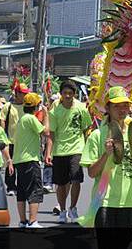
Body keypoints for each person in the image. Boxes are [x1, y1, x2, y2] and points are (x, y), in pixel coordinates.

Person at [80, 86, 132, 247]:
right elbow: (91, 172)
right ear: (107, 107)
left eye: (125, 105)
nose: (122, 109)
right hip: (105, 200)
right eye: (116, 105)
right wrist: (106, 155)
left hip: (130, 200)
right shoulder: (97, 135)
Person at [44, 81, 93, 223]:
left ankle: (73, 208)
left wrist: (87, 149)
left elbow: (86, 129)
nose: (67, 96)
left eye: (70, 93)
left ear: (74, 94)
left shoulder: (81, 108)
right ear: (61, 94)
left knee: (76, 179)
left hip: (77, 149)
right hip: (60, 151)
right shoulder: (55, 111)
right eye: (65, 93)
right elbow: (51, 135)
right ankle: (63, 210)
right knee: (61, 183)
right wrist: (48, 153)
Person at [13, 92, 49, 228]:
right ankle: (33, 221)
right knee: (35, 189)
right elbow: (45, 131)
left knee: (22, 191)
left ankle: (23, 221)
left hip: (20, 160)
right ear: (36, 106)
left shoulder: (23, 118)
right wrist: (46, 115)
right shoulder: (31, 118)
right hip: (30, 159)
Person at [0, 83, 29, 195]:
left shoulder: (27, 106)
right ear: (16, 93)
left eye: (26, 94)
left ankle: (21, 186)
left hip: (24, 141)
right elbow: (2, 120)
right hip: (10, 140)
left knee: (22, 165)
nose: (25, 96)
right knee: (10, 164)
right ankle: (11, 186)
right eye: (23, 93)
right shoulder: (8, 106)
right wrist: (3, 137)